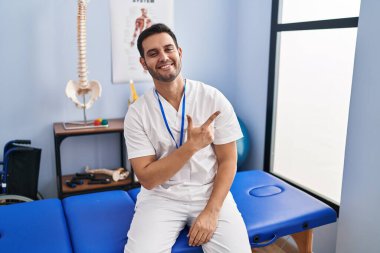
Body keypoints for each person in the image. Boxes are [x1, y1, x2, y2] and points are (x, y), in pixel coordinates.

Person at [123, 23, 251, 253]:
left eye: (168, 49)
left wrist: (212, 212)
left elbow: (229, 161)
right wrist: (191, 147)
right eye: (153, 53)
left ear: (179, 52)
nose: (163, 57)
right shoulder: (137, 113)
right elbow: (148, 179)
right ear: (143, 63)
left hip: (209, 191)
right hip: (161, 197)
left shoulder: (213, 98)